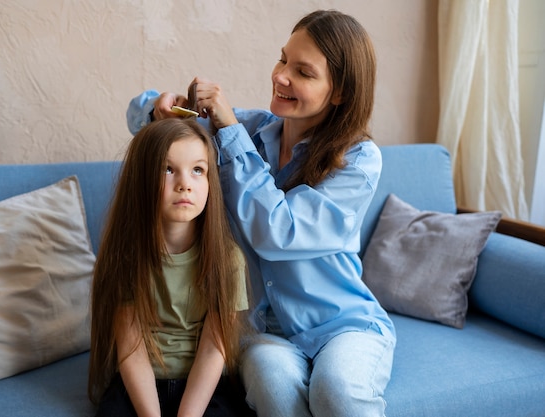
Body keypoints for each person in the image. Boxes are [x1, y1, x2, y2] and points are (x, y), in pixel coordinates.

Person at [127, 9, 396, 417]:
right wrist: (157, 110)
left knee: (337, 391)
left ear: (339, 92)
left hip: (343, 324)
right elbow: (141, 120)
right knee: (273, 386)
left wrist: (230, 133)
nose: (281, 76)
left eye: (303, 72)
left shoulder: (358, 160)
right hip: (263, 333)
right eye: (283, 59)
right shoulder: (248, 131)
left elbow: (279, 232)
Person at [88, 118, 250, 417]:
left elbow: (215, 348)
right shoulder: (125, 257)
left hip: (207, 386)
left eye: (198, 170)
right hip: (139, 386)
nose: (185, 183)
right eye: (168, 169)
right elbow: (131, 349)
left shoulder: (228, 259)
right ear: (142, 180)